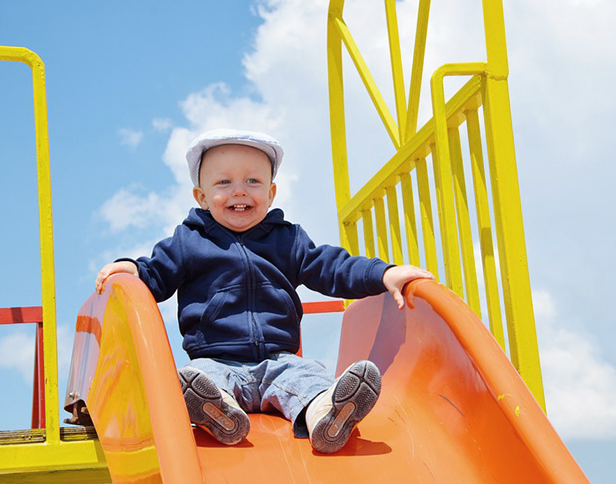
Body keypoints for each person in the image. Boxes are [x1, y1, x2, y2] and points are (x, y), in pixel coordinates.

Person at [95, 129, 433, 453]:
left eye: (252, 181)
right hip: (216, 359)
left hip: (280, 361)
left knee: (309, 379)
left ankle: (327, 415)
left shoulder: (287, 240)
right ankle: (216, 410)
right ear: (201, 197)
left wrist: (382, 273)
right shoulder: (188, 242)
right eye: (224, 182)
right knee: (200, 379)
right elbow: (156, 273)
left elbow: (332, 267)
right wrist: (133, 269)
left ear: (271, 194)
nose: (239, 191)